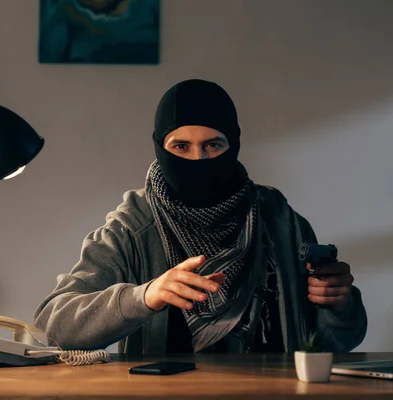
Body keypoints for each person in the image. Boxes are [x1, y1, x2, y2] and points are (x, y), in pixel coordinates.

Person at [33, 79, 367, 355]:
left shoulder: (279, 219)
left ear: (233, 145)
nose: (198, 159)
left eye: (213, 145)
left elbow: (330, 345)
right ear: (160, 148)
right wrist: (146, 296)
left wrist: (340, 305)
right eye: (180, 147)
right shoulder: (132, 227)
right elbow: (53, 326)